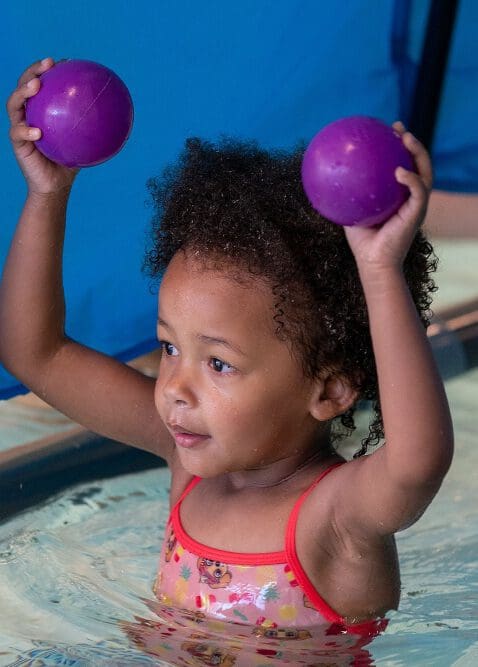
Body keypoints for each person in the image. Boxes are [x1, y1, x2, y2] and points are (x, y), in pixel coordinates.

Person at [2, 58, 453, 661]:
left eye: (218, 364)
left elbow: (418, 461)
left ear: (331, 389)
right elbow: (37, 354)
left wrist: (379, 269)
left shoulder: (337, 517)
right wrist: (47, 194)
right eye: (168, 348)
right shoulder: (189, 462)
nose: (175, 389)